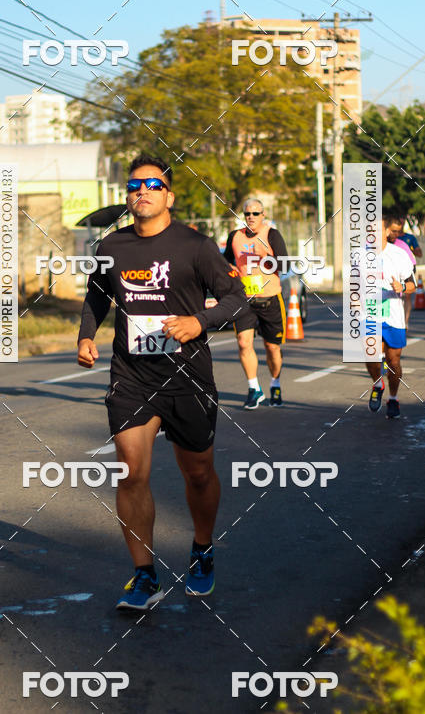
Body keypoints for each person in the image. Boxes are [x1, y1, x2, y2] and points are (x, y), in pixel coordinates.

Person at [77, 155, 247, 611]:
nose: (142, 191)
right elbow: (96, 296)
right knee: (131, 472)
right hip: (131, 375)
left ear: (169, 196)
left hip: (187, 376)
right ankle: (143, 574)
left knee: (198, 473)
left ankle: (203, 548)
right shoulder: (112, 246)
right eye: (134, 185)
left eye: (153, 184)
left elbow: (237, 298)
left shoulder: (196, 245)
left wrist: (199, 321)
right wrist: (86, 336)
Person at [223, 199, 288, 408]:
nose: (251, 217)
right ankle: (254, 389)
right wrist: (229, 270)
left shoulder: (271, 235)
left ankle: (275, 383)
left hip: (270, 299)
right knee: (244, 343)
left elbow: (285, 265)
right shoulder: (235, 236)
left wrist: (267, 258)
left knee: (272, 348)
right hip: (244, 300)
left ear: (263, 215)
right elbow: (225, 261)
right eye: (247, 213)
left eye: (255, 213)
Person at [367, 214, 415, 419]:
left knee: (393, 361)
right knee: (370, 352)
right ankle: (378, 383)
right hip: (369, 312)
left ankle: (393, 398)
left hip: (393, 314)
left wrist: (402, 286)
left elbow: (413, 285)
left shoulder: (399, 254)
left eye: (377, 230)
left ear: (386, 232)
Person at [389, 216, 417, 330]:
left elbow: (413, 262)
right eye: (393, 231)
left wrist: (403, 285)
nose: (395, 234)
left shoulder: (402, 245)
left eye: (398, 231)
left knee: (408, 297)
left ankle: (405, 321)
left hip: (402, 276)